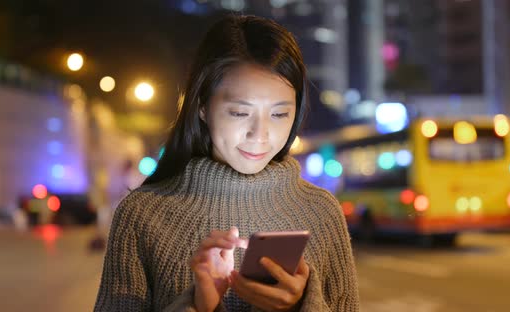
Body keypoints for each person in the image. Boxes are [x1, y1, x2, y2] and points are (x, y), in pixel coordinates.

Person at [94, 14, 359, 312]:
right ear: (202, 106)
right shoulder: (142, 215)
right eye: (239, 113)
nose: (260, 135)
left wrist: (301, 307)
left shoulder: (321, 213)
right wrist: (200, 306)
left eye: (279, 114)